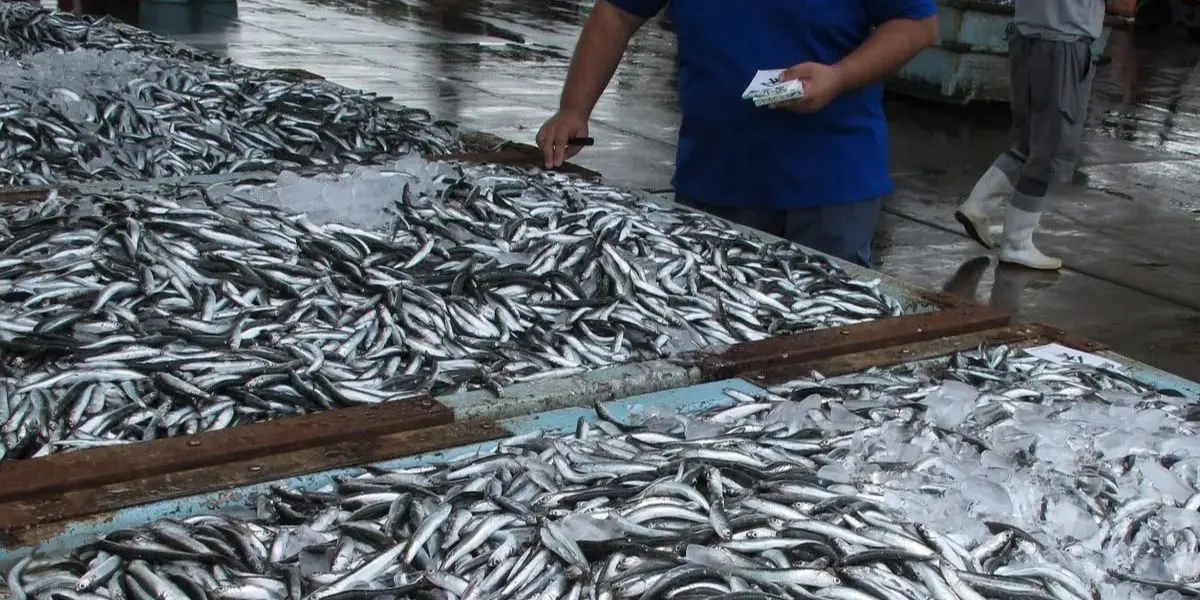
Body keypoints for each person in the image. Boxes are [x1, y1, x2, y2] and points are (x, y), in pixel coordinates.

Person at [536, 0, 938, 267]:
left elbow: (916, 23)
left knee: (827, 344)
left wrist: (839, 77)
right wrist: (574, 108)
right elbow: (617, 13)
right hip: (715, 177)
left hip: (831, 186)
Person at [954, 0, 1107, 271]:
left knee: (1029, 140)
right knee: (1050, 148)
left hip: (1026, 37)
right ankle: (1017, 243)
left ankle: (978, 205)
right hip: (1065, 41)